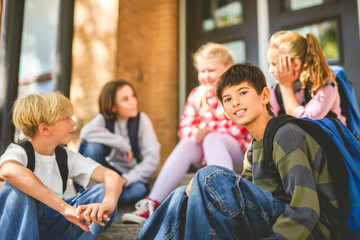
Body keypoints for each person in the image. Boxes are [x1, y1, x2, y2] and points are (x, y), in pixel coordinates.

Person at [137, 63, 340, 239]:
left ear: (264, 96)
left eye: (243, 92)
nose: (235, 102)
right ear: (224, 111)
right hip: (270, 217)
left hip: (311, 230)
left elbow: (306, 207)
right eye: (227, 99)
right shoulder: (253, 148)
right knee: (183, 195)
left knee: (209, 176)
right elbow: (245, 200)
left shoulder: (286, 134)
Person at [122, 43, 252, 224]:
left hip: (240, 153)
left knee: (212, 138)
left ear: (228, 68)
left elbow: (239, 127)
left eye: (211, 70)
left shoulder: (237, 90)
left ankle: (223, 200)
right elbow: (184, 128)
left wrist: (205, 131)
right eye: (202, 71)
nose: (205, 76)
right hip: (208, 153)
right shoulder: (197, 95)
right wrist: (197, 132)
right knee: (188, 143)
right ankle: (152, 203)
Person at [0, 92, 124, 239]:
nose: (73, 122)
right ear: (45, 129)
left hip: (55, 223)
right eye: (66, 118)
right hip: (22, 224)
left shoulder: (65, 156)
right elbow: (8, 171)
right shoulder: (19, 151)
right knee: (17, 189)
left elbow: (111, 175)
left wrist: (108, 203)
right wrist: (64, 208)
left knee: (103, 191)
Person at [78, 80, 160, 205]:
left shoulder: (142, 120)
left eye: (133, 96)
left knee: (139, 190)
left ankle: (99, 198)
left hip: (126, 178)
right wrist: (122, 144)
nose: (133, 102)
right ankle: (91, 193)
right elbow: (85, 133)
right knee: (93, 146)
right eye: (125, 99)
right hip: (103, 177)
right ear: (112, 106)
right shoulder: (103, 120)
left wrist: (128, 178)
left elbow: (153, 158)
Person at [268, 30, 346, 124]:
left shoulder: (326, 85)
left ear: (296, 64)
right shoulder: (276, 89)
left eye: (274, 64)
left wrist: (286, 86)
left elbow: (304, 123)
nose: (270, 70)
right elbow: (269, 121)